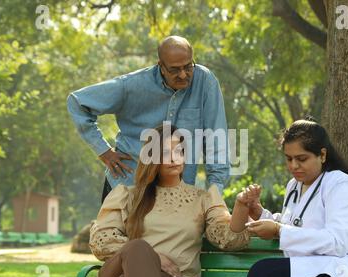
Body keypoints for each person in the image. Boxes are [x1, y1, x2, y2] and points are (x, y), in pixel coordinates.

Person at [89, 124, 252, 277]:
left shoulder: (203, 198)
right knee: (137, 248)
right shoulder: (127, 196)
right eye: (166, 153)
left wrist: (241, 207)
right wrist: (155, 259)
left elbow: (229, 239)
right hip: (113, 276)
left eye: (179, 151)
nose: (174, 158)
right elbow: (101, 242)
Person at [67, 36, 229, 203]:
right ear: (161, 66)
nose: (183, 75)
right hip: (127, 189)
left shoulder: (205, 82)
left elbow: (217, 139)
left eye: (188, 67)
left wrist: (214, 193)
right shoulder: (131, 85)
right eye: (174, 70)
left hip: (177, 198)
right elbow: (77, 102)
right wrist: (104, 152)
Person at [238, 118, 348, 277]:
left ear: (322, 155)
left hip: (346, 276)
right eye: (289, 159)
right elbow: (294, 224)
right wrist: (260, 213)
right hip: (315, 272)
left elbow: (338, 242)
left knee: (262, 271)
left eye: (301, 159)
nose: (293, 166)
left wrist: (279, 231)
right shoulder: (294, 186)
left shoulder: (342, 185)